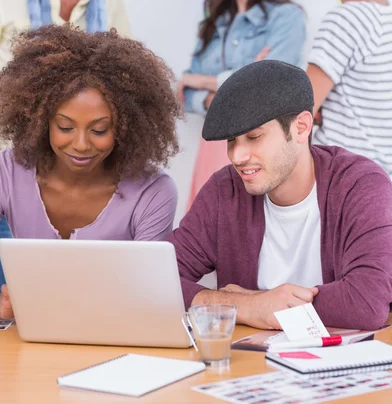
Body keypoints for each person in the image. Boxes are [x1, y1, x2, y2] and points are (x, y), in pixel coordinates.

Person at [168, 60, 392, 330]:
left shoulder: (360, 185)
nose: (237, 156)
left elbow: (367, 303)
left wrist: (258, 302)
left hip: (342, 365)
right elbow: (155, 281)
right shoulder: (223, 191)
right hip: (253, 366)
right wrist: (246, 305)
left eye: (254, 137)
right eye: (231, 141)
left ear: (301, 127)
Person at [0, 0, 131, 285]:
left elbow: (126, 76)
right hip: (11, 174)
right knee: (10, 311)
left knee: (85, 301)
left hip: (87, 177)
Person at [0, 24, 181, 318]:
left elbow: (150, 297)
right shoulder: (3, 172)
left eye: (99, 129)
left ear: (125, 127)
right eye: (65, 127)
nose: (80, 144)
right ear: (41, 121)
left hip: (115, 338)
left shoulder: (153, 192)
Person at [180, 0, 306, 209]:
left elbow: (273, 84)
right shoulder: (215, 18)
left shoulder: (287, 17)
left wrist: (203, 81)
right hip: (213, 144)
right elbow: (184, 92)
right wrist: (217, 93)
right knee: (209, 233)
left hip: (262, 145)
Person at [307, 0, 392, 176]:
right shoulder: (384, 15)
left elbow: (300, 110)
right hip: (378, 182)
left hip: (347, 181)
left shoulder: (346, 19)